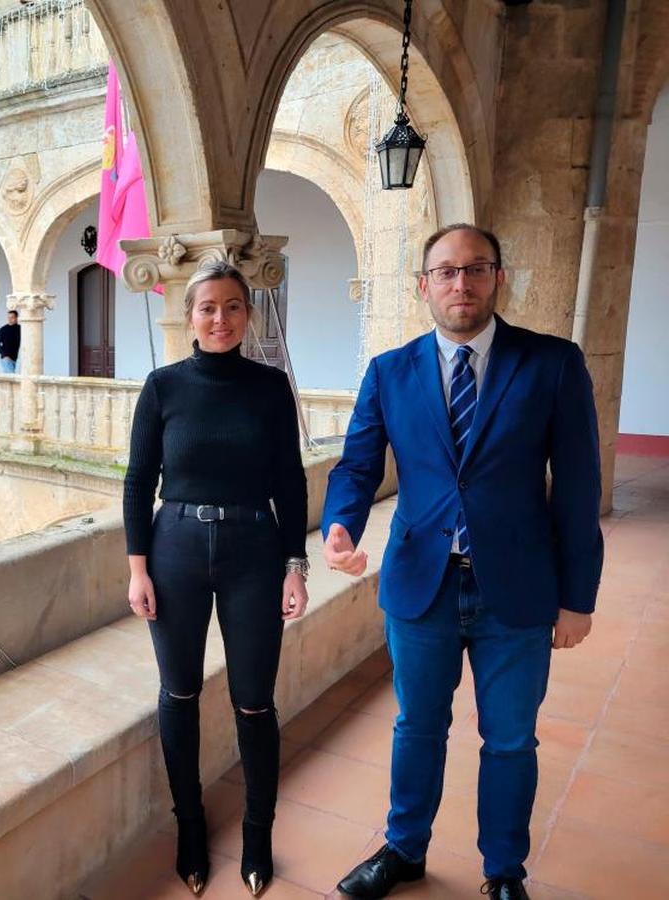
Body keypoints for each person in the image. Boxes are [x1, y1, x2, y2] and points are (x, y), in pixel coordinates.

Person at [322, 225, 603, 900]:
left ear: (498, 278)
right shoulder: (389, 371)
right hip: (423, 587)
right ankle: (404, 849)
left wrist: (579, 597)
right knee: (417, 726)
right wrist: (339, 524)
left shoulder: (552, 364)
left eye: (475, 269)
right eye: (445, 272)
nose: (461, 284)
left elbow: (578, 486)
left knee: (510, 740)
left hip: (520, 589)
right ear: (424, 286)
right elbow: (358, 465)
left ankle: (504, 870)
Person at [124, 259, 310, 897]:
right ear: (189, 317)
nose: (221, 318)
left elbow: (290, 477)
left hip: (254, 549)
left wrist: (296, 565)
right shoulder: (162, 386)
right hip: (173, 545)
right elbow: (136, 481)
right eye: (208, 307)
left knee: (254, 700)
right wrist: (137, 568)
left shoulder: (269, 386)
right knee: (178, 693)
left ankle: (258, 832)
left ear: (247, 314)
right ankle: (191, 826)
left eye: (233, 306)